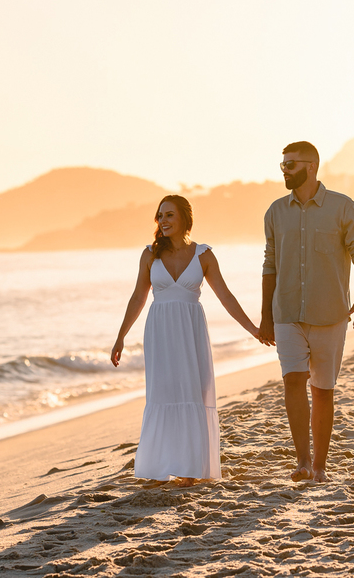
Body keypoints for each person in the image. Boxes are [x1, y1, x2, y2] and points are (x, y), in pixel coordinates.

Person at [111, 195, 262, 486]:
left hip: (190, 330)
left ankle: (190, 468)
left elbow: (226, 296)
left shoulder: (203, 255)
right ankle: (161, 465)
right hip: (160, 330)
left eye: (169, 215)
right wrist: (121, 336)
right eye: (160, 216)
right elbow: (138, 297)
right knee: (164, 393)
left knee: (193, 392)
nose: (163, 221)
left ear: (184, 218)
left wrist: (253, 329)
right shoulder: (149, 255)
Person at [258, 141, 354, 483]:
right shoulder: (275, 212)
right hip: (287, 314)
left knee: (323, 390)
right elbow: (270, 265)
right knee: (293, 381)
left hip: (331, 314)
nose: (284, 170)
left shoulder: (342, 207)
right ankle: (302, 462)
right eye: (282, 165)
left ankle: (321, 466)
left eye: (290, 165)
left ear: (311, 166)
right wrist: (266, 316)